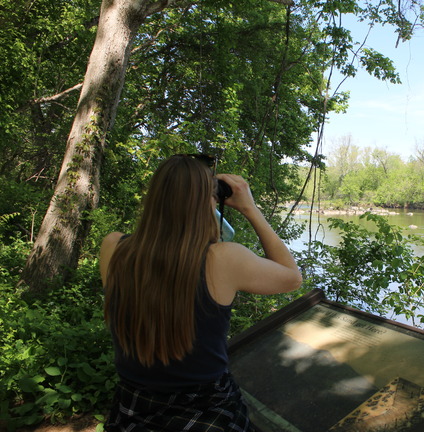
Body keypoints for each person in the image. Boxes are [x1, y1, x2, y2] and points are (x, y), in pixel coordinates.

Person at [99, 154, 302, 431]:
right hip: (207, 408)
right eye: (212, 197)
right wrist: (250, 209)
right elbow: (292, 278)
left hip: (134, 404)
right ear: (206, 202)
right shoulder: (222, 259)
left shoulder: (114, 247)